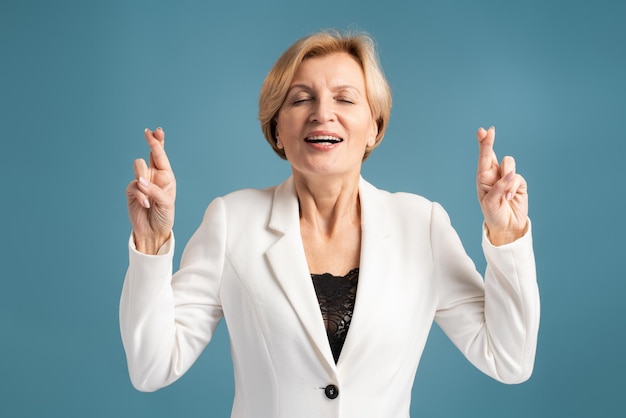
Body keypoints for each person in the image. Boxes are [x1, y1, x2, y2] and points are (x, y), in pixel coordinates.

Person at [120, 30, 540, 418]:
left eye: (345, 98)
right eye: (301, 99)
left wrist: (506, 236)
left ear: (374, 127)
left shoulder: (422, 224)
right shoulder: (232, 220)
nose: (323, 114)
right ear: (277, 129)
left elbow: (509, 359)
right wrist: (152, 241)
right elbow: (152, 367)